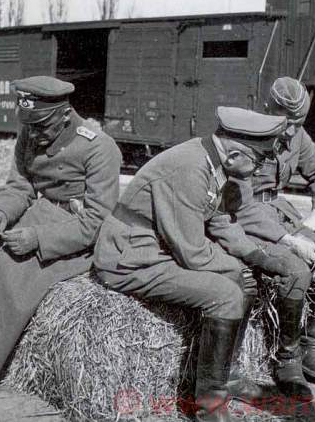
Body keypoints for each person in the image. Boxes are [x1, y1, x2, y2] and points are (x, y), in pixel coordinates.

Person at [94, 107, 289, 422]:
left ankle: (228, 376)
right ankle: (208, 407)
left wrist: (261, 259)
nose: (260, 168)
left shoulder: (212, 163)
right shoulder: (190, 168)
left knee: (245, 280)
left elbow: (221, 222)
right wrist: (235, 267)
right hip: (131, 257)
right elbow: (193, 253)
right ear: (234, 154)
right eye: (259, 159)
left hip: (157, 248)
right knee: (226, 294)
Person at [0, 76, 122, 383]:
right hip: (32, 217)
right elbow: (20, 186)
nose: (34, 135)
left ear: (65, 114)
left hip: (69, 238)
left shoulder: (99, 148)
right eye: (30, 125)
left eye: (41, 126)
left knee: (3, 265)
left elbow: (96, 221)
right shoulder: (31, 131)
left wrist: (38, 239)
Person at [214, 77, 315, 394]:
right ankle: (286, 358)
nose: (290, 131)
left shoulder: (297, 134)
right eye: (285, 121)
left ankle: (311, 347)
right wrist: (290, 241)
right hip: (246, 218)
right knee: (297, 270)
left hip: (281, 212)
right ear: (267, 107)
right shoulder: (247, 132)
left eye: (298, 123)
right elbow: (241, 205)